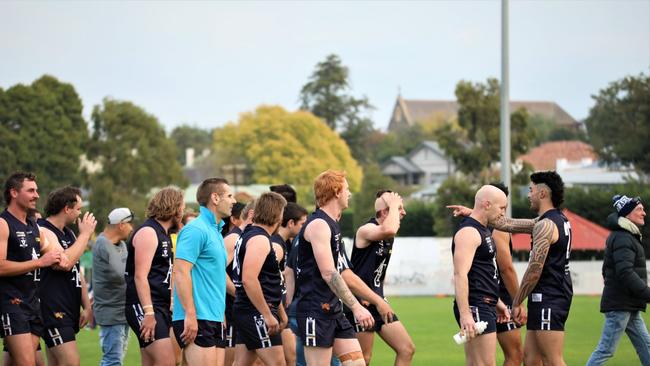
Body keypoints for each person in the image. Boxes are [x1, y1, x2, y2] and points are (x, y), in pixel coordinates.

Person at [293, 170, 373, 366]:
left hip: (333, 310)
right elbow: (329, 272)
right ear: (336, 191)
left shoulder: (331, 223)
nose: (350, 193)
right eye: (347, 189)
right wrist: (356, 307)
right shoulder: (319, 224)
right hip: (315, 310)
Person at [0, 172, 66, 366]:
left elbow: (61, 257)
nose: (37, 195)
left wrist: (61, 256)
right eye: (31, 190)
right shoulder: (3, 224)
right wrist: (40, 262)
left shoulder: (33, 226)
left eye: (36, 190)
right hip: (11, 303)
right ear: (13, 192)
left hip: (33, 303)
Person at [346, 190, 415, 366]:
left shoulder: (387, 236)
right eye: (399, 208)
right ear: (384, 212)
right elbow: (390, 228)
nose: (403, 212)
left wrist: (380, 296)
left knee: (406, 349)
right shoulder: (366, 230)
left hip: (378, 301)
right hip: (360, 302)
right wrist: (392, 204)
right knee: (363, 360)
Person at [172, 178, 236, 365]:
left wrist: (239, 295)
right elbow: (181, 272)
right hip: (197, 317)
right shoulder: (195, 230)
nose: (233, 201)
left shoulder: (215, 231)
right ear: (215, 198)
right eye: (229, 196)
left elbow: (217, 274)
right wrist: (190, 314)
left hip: (214, 317)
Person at [124, 187, 185, 366]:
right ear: (172, 207)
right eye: (181, 207)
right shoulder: (148, 232)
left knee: (152, 362)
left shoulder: (163, 233)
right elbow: (140, 277)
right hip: (145, 306)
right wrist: (149, 313)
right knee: (167, 361)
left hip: (160, 305)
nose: (182, 212)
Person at [587, 195, 650, 365]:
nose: (644, 213)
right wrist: (647, 294)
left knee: (647, 346)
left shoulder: (626, 236)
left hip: (627, 304)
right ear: (627, 214)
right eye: (639, 209)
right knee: (605, 350)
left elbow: (607, 271)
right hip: (621, 306)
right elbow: (626, 273)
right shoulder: (623, 237)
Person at [37, 186, 97, 366]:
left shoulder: (69, 233)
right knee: (71, 362)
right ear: (66, 208)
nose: (80, 213)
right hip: (53, 308)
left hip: (68, 307)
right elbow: (65, 263)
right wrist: (85, 235)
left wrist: (86, 306)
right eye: (78, 209)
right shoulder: (44, 230)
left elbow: (77, 271)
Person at [452, 185, 510, 366]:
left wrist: (497, 302)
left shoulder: (483, 229)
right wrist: (466, 314)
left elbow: (485, 271)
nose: (503, 213)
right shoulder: (469, 232)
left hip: (485, 304)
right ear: (486, 204)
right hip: (476, 306)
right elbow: (460, 274)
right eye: (502, 208)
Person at [232, 192, 288, 365]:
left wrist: (280, 313)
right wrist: (267, 314)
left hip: (248, 310)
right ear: (277, 214)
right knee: (278, 363)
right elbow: (249, 279)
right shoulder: (259, 239)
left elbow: (267, 281)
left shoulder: (251, 234)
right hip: (254, 312)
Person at [93, 208, 135, 366]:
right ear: (122, 225)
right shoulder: (102, 244)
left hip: (122, 311)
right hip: (111, 312)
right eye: (130, 224)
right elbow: (121, 273)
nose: (132, 228)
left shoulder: (122, 244)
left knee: (117, 358)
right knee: (112, 360)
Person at [489, 183, 523, 366]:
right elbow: (506, 268)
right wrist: (518, 301)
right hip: (499, 296)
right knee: (515, 355)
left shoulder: (470, 223)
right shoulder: (500, 228)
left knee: (480, 360)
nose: (503, 212)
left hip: (479, 296)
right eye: (501, 207)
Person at [271, 202, 308, 366]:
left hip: (278, 308)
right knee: (287, 359)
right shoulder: (276, 245)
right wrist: (279, 306)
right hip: (273, 309)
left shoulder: (286, 244)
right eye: (302, 224)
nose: (305, 228)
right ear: (291, 223)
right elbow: (265, 277)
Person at [224, 201, 255, 366]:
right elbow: (217, 273)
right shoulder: (234, 238)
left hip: (242, 310)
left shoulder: (247, 237)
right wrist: (239, 293)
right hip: (230, 309)